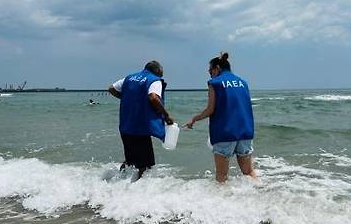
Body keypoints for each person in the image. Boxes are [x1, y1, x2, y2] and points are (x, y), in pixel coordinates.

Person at [184, 52, 256, 182]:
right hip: (245, 132)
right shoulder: (243, 83)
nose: (209, 73)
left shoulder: (215, 83)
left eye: (210, 70)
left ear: (217, 68)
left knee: (222, 176)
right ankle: (261, 197)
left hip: (225, 133)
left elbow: (210, 109)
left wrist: (194, 119)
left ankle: (222, 202)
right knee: (249, 172)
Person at [108, 60, 174, 179]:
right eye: (161, 74)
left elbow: (111, 88)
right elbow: (153, 97)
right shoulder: (154, 80)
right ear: (157, 71)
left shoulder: (129, 78)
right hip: (140, 127)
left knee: (130, 160)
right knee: (146, 165)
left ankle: (117, 182)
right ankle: (139, 191)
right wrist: (166, 115)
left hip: (125, 126)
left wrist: (125, 98)